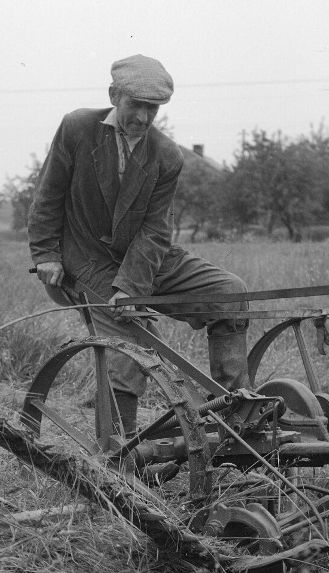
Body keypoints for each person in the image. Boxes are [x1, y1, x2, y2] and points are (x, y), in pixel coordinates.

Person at [28, 53, 250, 435]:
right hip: (87, 256)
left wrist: (130, 285)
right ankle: (120, 452)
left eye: (154, 109)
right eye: (136, 105)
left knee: (229, 293)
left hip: (147, 257)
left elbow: (155, 229)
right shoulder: (77, 128)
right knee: (131, 331)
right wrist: (46, 254)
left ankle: (236, 416)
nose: (144, 118)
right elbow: (48, 195)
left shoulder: (166, 155)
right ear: (115, 94)